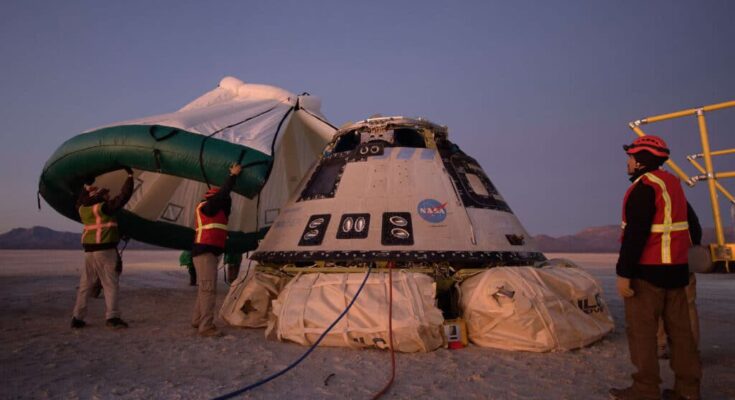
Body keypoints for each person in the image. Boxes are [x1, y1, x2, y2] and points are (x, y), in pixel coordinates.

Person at [610, 136, 702, 400]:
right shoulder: (673, 185)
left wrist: (624, 273)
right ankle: (688, 390)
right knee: (681, 334)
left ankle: (645, 389)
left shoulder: (644, 188)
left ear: (641, 161)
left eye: (630, 158)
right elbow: (692, 226)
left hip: (647, 274)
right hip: (677, 272)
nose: (627, 163)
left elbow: (635, 235)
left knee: (642, 334)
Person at [71, 167, 135, 330]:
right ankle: (112, 317)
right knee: (110, 284)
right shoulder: (103, 208)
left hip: (89, 253)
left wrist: (86, 186)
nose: (108, 196)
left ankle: (77, 318)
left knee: (86, 285)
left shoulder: (82, 209)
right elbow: (123, 197)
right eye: (106, 195)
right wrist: (129, 177)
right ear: (100, 197)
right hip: (105, 252)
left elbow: (80, 200)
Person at [190, 163, 242, 337]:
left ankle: (198, 320)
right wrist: (233, 176)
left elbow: (225, 202)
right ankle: (206, 326)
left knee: (204, 288)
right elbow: (222, 196)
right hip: (205, 253)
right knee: (208, 289)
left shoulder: (217, 210)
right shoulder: (207, 206)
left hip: (209, 253)